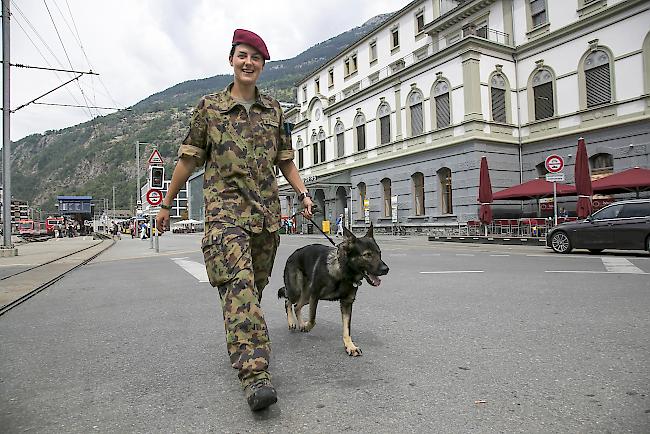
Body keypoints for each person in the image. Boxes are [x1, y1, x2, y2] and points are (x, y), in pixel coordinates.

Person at [156, 29, 314, 412]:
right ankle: (255, 375)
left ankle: (244, 339)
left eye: (256, 58)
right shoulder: (209, 108)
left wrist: (304, 193)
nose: (249, 63)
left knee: (252, 292)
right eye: (243, 55)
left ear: (262, 66)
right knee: (241, 290)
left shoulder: (274, 111)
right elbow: (188, 159)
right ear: (232, 59)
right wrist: (165, 204)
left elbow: (285, 160)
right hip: (224, 216)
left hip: (265, 220)